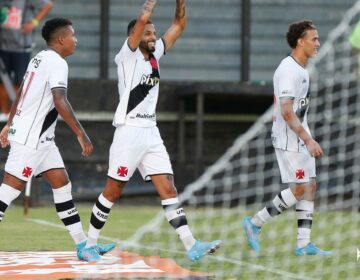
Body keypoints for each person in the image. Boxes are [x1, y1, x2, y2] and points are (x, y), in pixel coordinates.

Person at [77, 0, 222, 262]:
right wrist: (149, 6)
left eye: (154, 33)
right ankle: (88, 245)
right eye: (148, 33)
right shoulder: (127, 54)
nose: (153, 36)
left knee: (169, 188)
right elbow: (142, 19)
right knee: (113, 190)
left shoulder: (155, 55)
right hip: (129, 132)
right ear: (134, 36)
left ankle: (192, 245)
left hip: (150, 132)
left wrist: (180, 3)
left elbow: (179, 24)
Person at [0, 17, 115, 261]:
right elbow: (60, 100)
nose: (76, 40)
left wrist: (9, 123)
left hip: (43, 139)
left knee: (62, 185)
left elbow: (21, 93)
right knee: (8, 192)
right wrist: (81, 134)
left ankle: (83, 246)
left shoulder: (38, 58)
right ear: (61, 39)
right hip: (30, 138)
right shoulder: (57, 63)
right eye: (73, 35)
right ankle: (83, 245)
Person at [242, 20, 332, 256]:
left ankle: (303, 244)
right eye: (314, 39)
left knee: (310, 186)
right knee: (300, 188)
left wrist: (307, 137)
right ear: (300, 42)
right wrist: (308, 140)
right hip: (288, 138)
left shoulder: (302, 69)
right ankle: (255, 223)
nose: (318, 44)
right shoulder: (288, 69)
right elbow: (287, 111)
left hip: (301, 135)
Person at [0, 0, 53, 119]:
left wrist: (34, 22)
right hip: (2, 47)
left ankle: (15, 114)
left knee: (21, 82)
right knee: (2, 81)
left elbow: (48, 5)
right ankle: (3, 112)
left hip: (21, 47)